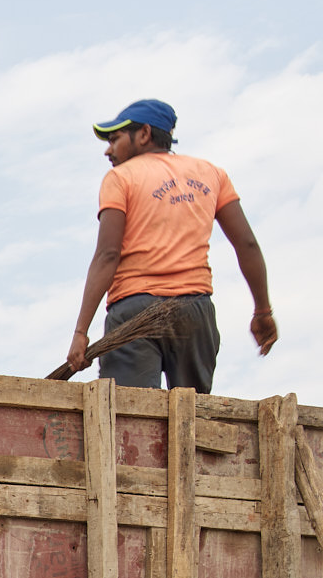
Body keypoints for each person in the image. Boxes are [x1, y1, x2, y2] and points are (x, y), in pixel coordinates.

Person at [64, 99, 276, 391]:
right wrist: (263, 311)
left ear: (144, 134)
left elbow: (108, 254)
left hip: (134, 310)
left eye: (114, 139)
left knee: (130, 418)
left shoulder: (120, 178)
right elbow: (248, 244)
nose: (108, 150)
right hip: (195, 312)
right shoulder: (212, 174)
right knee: (192, 419)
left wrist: (80, 332)